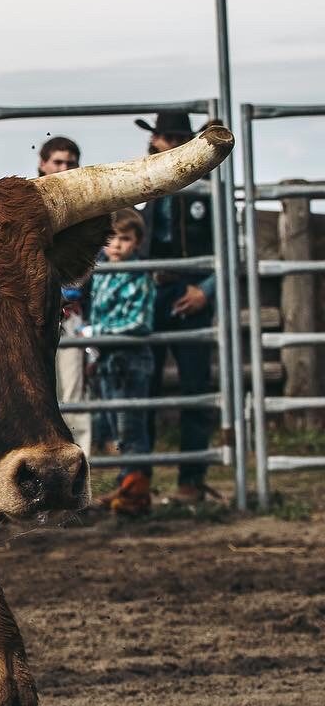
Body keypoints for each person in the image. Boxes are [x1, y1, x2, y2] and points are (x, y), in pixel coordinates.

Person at [138, 110, 217, 505]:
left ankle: (191, 478)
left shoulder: (207, 189)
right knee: (143, 384)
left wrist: (206, 289)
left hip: (191, 289)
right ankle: (137, 480)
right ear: (155, 142)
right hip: (155, 290)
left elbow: (228, 250)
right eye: (164, 137)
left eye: (176, 138)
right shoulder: (145, 186)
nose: (169, 144)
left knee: (194, 384)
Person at [91, 207, 156, 516]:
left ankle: (136, 494)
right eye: (111, 238)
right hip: (107, 360)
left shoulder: (139, 273)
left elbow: (140, 322)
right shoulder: (101, 270)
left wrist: (98, 333)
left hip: (130, 360)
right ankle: (125, 485)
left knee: (131, 429)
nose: (116, 245)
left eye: (125, 239)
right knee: (116, 428)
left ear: (138, 242)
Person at [37, 136, 92, 455]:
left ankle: (79, 465)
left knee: (73, 392)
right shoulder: (26, 207)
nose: (63, 168)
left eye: (70, 163)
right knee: (34, 390)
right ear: (42, 164)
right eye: (57, 162)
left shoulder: (84, 209)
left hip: (70, 314)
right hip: (32, 316)